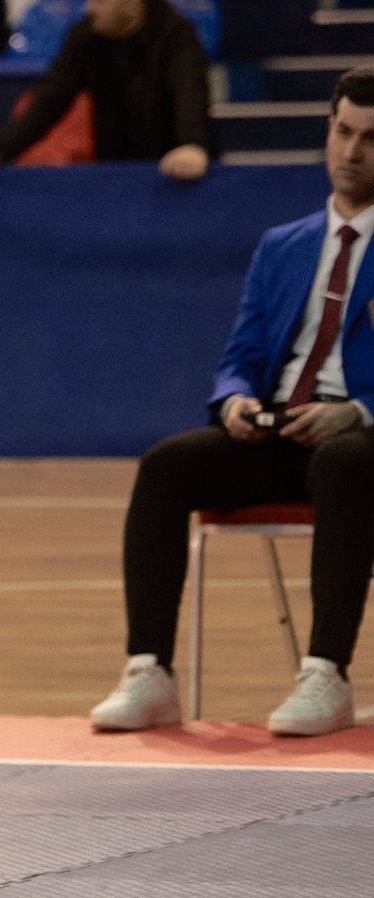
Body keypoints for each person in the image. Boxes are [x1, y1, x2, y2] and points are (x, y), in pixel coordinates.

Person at [87, 67, 374, 738]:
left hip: (359, 442)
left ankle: (325, 671)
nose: (352, 152)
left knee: (344, 461)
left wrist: (358, 408)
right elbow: (239, 356)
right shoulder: (282, 246)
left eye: (369, 138)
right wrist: (238, 400)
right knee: (166, 465)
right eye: (342, 132)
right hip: (281, 432)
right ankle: (149, 670)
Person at [0, 0, 213, 183]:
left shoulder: (176, 35)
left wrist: (191, 145)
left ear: (132, 3)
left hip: (181, 173)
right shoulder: (85, 37)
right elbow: (49, 100)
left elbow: (189, 94)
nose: (88, 8)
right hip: (116, 172)